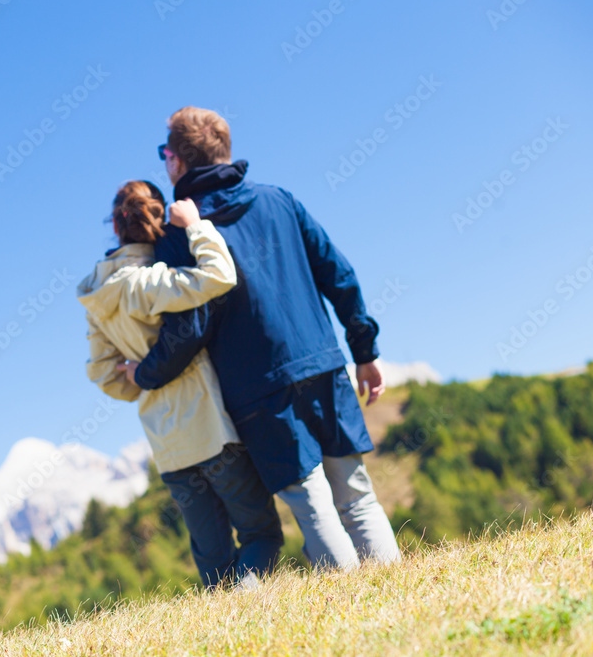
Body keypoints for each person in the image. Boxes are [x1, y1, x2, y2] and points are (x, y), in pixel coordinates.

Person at [120, 107, 401, 569]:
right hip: (325, 365)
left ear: (177, 162)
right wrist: (365, 351)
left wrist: (145, 374)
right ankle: (399, 602)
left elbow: (189, 327)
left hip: (259, 392)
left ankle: (359, 620)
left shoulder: (178, 234)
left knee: (314, 512)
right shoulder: (280, 201)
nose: (165, 164)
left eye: (165, 155)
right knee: (356, 497)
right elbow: (338, 274)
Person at [77, 180, 283, 587]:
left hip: (166, 444)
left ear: (116, 227)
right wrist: (196, 226)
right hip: (210, 428)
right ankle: (247, 609)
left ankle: (226, 634)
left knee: (213, 557)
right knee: (261, 534)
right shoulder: (150, 281)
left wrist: (139, 380)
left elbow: (101, 371)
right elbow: (220, 274)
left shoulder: (98, 296)